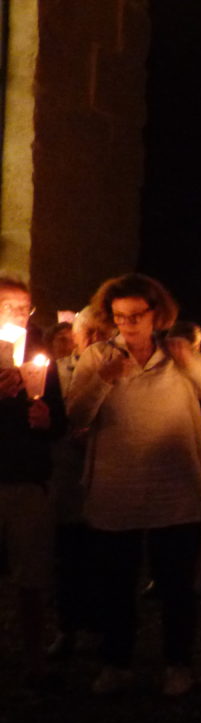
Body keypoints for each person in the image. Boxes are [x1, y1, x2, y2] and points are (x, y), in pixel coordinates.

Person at [67, 273, 201, 696]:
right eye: (120, 317)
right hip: (117, 491)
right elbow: (76, 418)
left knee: (176, 585)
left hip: (175, 491)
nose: (129, 324)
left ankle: (178, 663)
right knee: (116, 583)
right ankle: (117, 662)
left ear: (157, 314)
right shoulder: (98, 357)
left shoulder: (177, 355)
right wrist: (104, 378)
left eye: (137, 315)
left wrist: (192, 363)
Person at [0, 275, 67, 684]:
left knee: (32, 574)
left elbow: (60, 415)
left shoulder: (40, 357)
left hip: (28, 479)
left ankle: (32, 656)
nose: (18, 315)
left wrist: (48, 419)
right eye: (8, 307)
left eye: (24, 308)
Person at [47, 305, 112, 659]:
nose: (99, 341)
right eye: (93, 334)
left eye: (105, 334)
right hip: (70, 481)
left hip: (107, 479)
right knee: (69, 556)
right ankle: (68, 626)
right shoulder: (54, 373)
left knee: (104, 559)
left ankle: (99, 625)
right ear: (79, 337)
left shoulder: (118, 370)